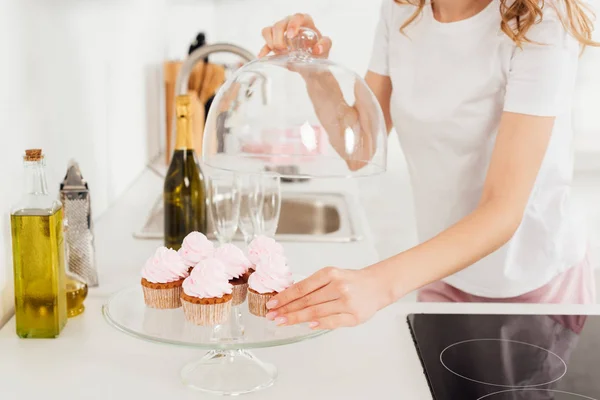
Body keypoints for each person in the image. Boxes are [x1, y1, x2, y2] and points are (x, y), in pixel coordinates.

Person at [260, 0, 599, 330]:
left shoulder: (541, 25)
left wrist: (379, 284)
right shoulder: (403, 9)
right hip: (442, 274)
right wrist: (315, 71)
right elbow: (361, 146)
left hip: (536, 284)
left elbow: (502, 211)